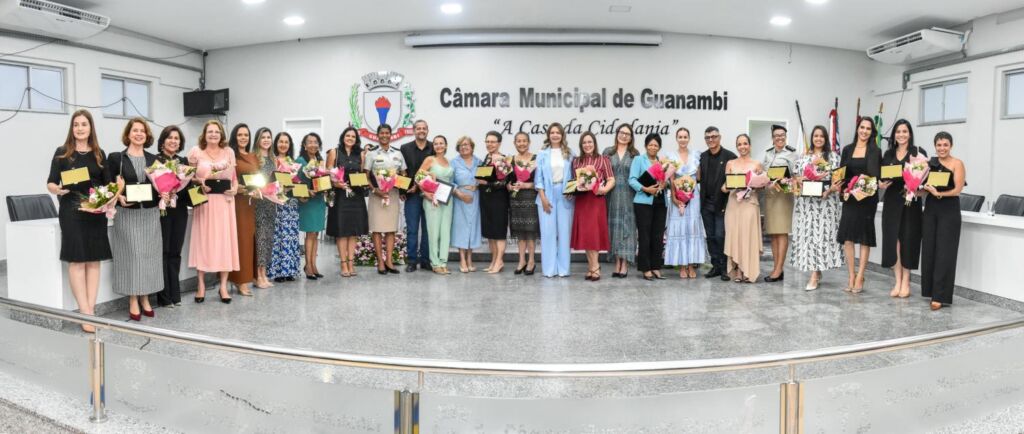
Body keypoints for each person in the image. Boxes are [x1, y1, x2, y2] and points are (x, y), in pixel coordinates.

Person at [46, 109, 111, 332]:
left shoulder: (99, 153)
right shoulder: (62, 152)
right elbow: (50, 183)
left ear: (91, 127)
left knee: (94, 259)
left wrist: (105, 200)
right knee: (77, 260)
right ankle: (85, 311)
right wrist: (57, 189)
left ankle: (90, 309)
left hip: (95, 211)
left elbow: (108, 184)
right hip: (71, 210)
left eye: (84, 124)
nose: (80, 128)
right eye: (76, 125)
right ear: (72, 128)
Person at [107, 118, 163, 321]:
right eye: (135, 130)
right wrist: (118, 196)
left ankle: (145, 297)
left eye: (142, 131)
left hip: (149, 214)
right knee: (131, 256)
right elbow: (109, 186)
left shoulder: (154, 159)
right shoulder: (116, 158)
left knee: (148, 255)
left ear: (147, 136)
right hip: (127, 215)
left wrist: (166, 193)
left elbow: (162, 185)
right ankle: (133, 298)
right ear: (128, 134)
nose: (139, 134)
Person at [187, 120, 239, 304]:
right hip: (205, 202)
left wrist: (235, 188)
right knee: (204, 242)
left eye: (217, 132)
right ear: (204, 134)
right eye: (210, 132)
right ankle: (200, 285)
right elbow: (188, 177)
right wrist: (199, 182)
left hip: (225, 202)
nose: (213, 135)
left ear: (221, 134)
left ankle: (223, 287)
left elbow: (234, 178)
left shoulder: (229, 152)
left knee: (224, 243)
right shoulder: (196, 152)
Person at [790, 126, 844, 290]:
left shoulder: (834, 157)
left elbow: (838, 181)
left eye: (821, 136)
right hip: (806, 207)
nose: (818, 138)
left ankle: (814, 276)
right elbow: (795, 179)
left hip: (826, 207)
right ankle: (816, 272)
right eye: (816, 136)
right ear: (812, 138)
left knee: (821, 239)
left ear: (826, 138)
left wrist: (830, 190)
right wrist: (798, 180)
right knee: (809, 239)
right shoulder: (803, 157)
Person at [879, 119, 926, 298]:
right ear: (894, 135)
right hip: (891, 201)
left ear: (910, 134)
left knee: (908, 240)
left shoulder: (918, 153)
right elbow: (882, 175)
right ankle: (897, 280)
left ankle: (906, 281)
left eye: (905, 131)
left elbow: (922, 178)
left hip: (910, 202)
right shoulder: (888, 153)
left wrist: (915, 185)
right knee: (893, 242)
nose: (901, 135)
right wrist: (881, 183)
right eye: (898, 131)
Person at [836, 117, 882, 293]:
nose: (864, 131)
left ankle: (861, 276)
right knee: (848, 239)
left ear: (872, 132)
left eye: (868, 129)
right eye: (862, 127)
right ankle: (851, 275)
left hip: (866, 199)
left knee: (864, 238)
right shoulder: (847, 149)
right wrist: (842, 188)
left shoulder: (875, 151)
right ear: (857, 129)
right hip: (850, 199)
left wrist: (862, 188)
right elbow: (842, 174)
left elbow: (875, 177)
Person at [920, 132, 966, 311]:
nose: (942, 148)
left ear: (951, 146)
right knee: (930, 249)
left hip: (949, 209)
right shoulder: (930, 164)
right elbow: (925, 187)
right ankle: (930, 291)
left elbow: (957, 189)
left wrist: (939, 194)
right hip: (931, 208)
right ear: (935, 146)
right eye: (939, 145)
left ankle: (940, 295)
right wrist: (918, 190)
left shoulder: (957, 163)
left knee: (945, 253)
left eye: (945, 145)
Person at [570, 132, 615, 281]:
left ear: (594, 143)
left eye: (590, 142)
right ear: (581, 145)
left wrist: (605, 189)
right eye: (584, 143)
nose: (587, 145)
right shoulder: (576, 161)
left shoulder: (603, 160)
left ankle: (595, 267)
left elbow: (611, 179)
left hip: (596, 200)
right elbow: (573, 182)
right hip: (582, 201)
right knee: (585, 235)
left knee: (593, 234)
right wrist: (570, 191)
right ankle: (592, 267)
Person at [364, 124, 407, 274]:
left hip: (393, 195)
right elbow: (366, 175)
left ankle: (389, 260)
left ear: (390, 135)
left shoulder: (398, 153)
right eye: (381, 133)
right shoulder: (371, 153)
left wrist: (401, 185)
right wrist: (376, 190)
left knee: (390, 230)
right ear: (377, 135)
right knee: (377, 229)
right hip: (377, 195)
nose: (384, 135)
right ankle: (380, 262)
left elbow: (404, 173)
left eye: (387, 133)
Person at [326, 127, 369, 277]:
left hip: (356, 196)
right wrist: (335, 183)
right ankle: (343, 264)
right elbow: (326, 175)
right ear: (342, 137)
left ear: (356, 139)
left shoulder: (361, 154)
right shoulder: (334, 152)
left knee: (354, 231)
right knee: (342, 231)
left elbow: (363, 174)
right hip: (340, 196)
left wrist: (363, 182)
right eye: (347, 135)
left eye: (353, 136)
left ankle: (351, 262)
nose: (350, 138)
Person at [156, 125, 191, 308]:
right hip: (162, 211)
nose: (173, 141)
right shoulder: (155, 162)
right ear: (162, 141)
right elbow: (153, 186)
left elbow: (188, 189)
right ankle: (164, 297)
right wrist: (163, 193)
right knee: (164, 252)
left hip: (180, 211)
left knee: (175, 252)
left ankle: (175, 294)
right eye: (170, 137)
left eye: (176, 138)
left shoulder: (183, 161)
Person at [665, 127, 706, 279]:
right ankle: (682, 265)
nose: (683, 139)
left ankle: (691, 265)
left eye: (685, 136)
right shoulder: (670, 156)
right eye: (680, 137)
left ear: (689, 138)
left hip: (694, 197)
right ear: (676, 138)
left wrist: (691, 187)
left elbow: (699, 177)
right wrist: (675, 198)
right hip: (677, 197)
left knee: (692, 228)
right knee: (679, 228)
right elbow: (671, 178)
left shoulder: (696, 154)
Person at [722, 134, 764, 283]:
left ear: (750, 145)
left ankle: (748, 271)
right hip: (734, 204)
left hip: (749, 204)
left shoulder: (757, 164)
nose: (743, 147)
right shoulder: (730, 163)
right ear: (737, 147)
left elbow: (760, 188)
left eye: (745, 143)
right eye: (739, 144)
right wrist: (729, 185)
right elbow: (724, 187)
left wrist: (757, 184)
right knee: (735, 237)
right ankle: (738, 270)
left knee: (747, 237)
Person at [535, 123, 575, 278]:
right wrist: (543, 198)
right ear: (548, 135)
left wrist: (571, 191)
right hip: (547, 195)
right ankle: (549, 269)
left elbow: (574, 175)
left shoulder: (569, 153)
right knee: (548, 233)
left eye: (558, 132)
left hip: (565, 196)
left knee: (565, 233)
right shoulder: (542, 153)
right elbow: (538, 178)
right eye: (552, 132)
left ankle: (564, 269)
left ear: (562, 135)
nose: (555, 135)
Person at [698, 126, 737, 281]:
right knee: (711, 236)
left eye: (714, 136)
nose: (711, 140)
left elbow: (736, 179)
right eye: (708, 137)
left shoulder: (730, 156)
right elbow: (698, 178)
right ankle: (715, 266)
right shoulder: (702, 157)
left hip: (722, 204)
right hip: (706, 204)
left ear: (720, 137)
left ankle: (724, 268)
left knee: (721, 236)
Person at [629, 133, 668, 281]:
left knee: (658, 236)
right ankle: (645, 268)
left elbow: (666, 182)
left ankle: (656, 267)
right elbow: (632, 180)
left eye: (656, 145)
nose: (653, 147)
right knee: (645, 236)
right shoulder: (639, 160)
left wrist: (665, 184)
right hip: (643, 202)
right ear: (646, 146)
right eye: (650, 144)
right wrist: (646, 189)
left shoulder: (662, 162)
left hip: (660, 202)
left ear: (659, 147)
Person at [761, 124, 797, 282]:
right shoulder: (768, 154)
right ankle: (777, 268)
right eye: (776, 135)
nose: (779, 138)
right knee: (773, 234)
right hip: (769, 197)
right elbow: (765, 173)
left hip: (783, 197)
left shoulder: (793, 154)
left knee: (781, 232)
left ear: (786, 136)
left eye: (782, 135)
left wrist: (786, 179)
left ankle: (778, 269)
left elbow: (796, 176)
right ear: (772, 138)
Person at [603, 123, 639, 278]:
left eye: (627, 134)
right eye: (621, 132)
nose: (624, 135)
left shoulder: (635, 154)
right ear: (617, 134)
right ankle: (617, 261)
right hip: (611, 196)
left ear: (631, 137)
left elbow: (638, 175)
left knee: (628, 229)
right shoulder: (607, 152)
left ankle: (625, 263)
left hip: (629, 196)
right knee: (614, 229)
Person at [227, 123, 258, 294]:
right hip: (238, 202)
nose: (243, 138)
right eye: (240, 135)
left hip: (252, 202)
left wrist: (259, 188)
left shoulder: (253, 156)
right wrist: (238, 188)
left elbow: (258, 178)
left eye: (246, 135)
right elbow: (228, 177)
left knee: (250, 240)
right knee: (241, 241)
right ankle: (240, 280)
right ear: (234, 136)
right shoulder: (231, 155)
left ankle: (248, 277)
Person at [418, 135, 454, 274]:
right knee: (434, 232)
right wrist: (425, 193)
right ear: (433, 146)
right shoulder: (429, 159)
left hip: (448, 201)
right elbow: (418, 177)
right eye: (436, 143)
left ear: (446, 145)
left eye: (441, 143)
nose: (439, 145)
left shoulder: (449, 162)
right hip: (432, 200)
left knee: (445, 232)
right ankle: (435, 263)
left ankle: (443, 262)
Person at [400, 120, 433, 272]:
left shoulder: (434, 147)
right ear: (414, 130)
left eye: (424, 128)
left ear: (427, 130)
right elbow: (402, 172)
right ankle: (412, 261)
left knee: (427, 229)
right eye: (418, 128)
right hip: (412, 195)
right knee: (412, 229)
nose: (421, 130)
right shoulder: (405, 148)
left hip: (429, 195)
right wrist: (403, 191)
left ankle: (426, 260)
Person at [268, 132, 301, 282]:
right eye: (280, 141)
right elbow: (266, 181)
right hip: (276, 201)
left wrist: (293, 185)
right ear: (276, 144)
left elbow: (297, 181)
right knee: (278, 236)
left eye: (286, 142)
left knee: (290, 236)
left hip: (291, 203)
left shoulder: (292, 162)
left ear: (290, 145)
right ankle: (278, 271)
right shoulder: (272, 161)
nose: (283, 144)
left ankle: (290, 270)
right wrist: (278, 186)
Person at [296, 133, 327, 280]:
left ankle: (314, 265)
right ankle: (308, 266)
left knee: (315, 234)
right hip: (308, 202)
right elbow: (295, 183)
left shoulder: (320, 161)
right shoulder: (300, 161)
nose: (313, 144)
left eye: (316, 142)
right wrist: (307, 191)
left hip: (319, 200)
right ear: (304, 145)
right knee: (310, 234)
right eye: (310, 142)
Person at [508, 132, 539, 275]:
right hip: (516, 199)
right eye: (518, 141)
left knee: (530, 232)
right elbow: (507, 181)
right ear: (515, 143)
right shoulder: (510, 160)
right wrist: (509, 186)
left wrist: (527, 185)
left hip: (530, 199)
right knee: (520, 233)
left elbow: (540, 181)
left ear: (529, 142)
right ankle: (521, 260)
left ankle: (531, 261)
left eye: (524, 141)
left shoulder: (536, 159)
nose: (522, 143)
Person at [478, 131, 510, 273]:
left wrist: (486, 184)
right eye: (487, 141)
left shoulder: (502, 159)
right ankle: (494, 260)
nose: (489, 144)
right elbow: (481, 178)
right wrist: (480, 183)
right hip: (486, 200)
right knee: (490, 233)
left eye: (493, 142)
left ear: (499, 143)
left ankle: (499, 261)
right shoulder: (486, 158)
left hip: (499, 200)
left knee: (499, 233)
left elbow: (504, 182)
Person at [249, 127, 277, 287]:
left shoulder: (273, 159)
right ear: (258, 140)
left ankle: (264, 273)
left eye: (268, 137)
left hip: (271, 203)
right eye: (263, 137)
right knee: (260, 237)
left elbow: (276, 180)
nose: (266, 140)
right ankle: (258, 275)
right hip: (259, 202)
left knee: (269, 237)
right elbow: (252, 180)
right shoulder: (255, 158)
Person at [451, 136, 483, 272]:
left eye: (467, 144)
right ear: (458, 148)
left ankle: (470, 258)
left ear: (472, 147)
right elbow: (450, 181)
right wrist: (460, 194)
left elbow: (484, 179)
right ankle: (462, 259)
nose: (464, 147)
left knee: (472, 228)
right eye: (461, 145)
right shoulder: (454, 162)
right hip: (460, 198)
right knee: (461, 229)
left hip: (475, 198)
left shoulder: (479, 162)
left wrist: (477, 186)